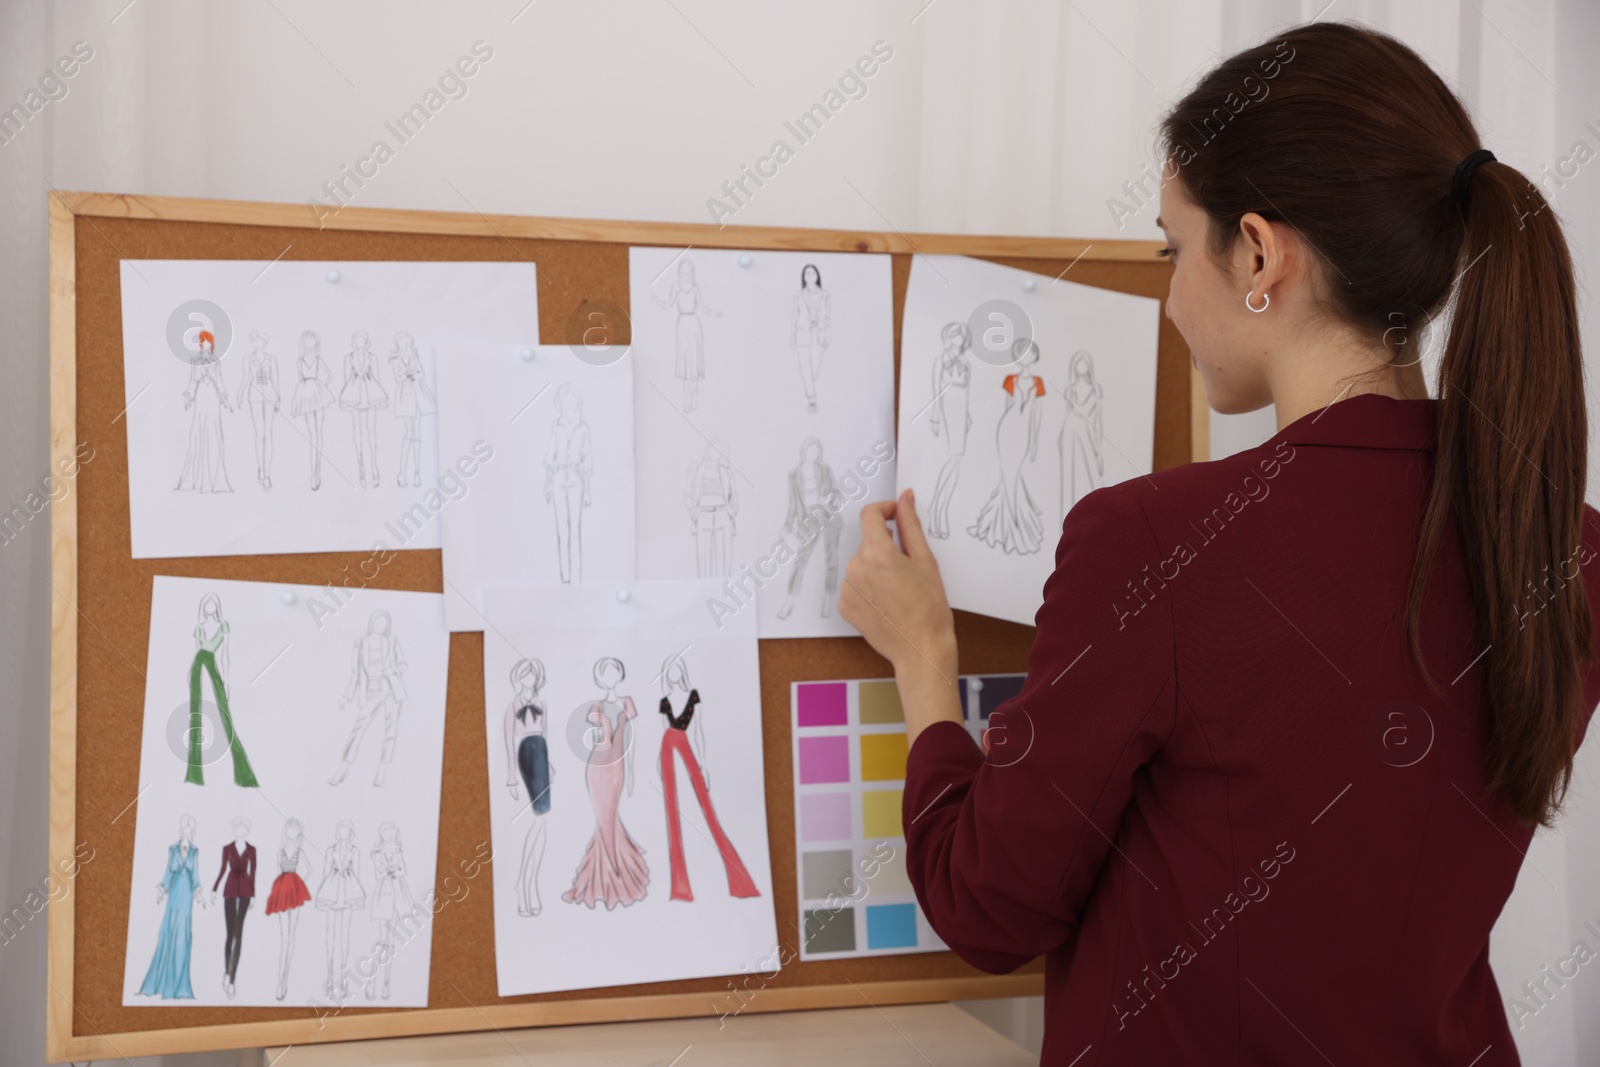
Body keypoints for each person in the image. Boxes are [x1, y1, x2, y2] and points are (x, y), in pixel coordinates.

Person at [839, 22, 1600, 1065]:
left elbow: (988, 905)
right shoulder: (1568, 553)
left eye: (1169, 247)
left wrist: (924, 665)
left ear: (1255, 252)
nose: (1163, 297)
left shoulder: (1149, 541)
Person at [330, 610, 408, 786]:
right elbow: (356, 673)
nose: (380, 625)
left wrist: (393, 670)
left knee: (390, 732)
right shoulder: (360, 643)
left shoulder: (392, 641)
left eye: (383, 622)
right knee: (358, 728)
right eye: (377, 622)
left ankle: (382, 770)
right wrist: (347, 696)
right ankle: (344, 767)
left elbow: (403, 664)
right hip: (371, 690)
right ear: (371, 623)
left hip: (391, 690)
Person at [504, 657, 553, 916]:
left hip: (542, 752)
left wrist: (550, 764)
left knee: (543, 823)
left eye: (532, 675)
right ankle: (522, 887)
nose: (529, 680)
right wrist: (511, 775)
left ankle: (531, 886)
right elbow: (508, 742)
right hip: (526, 753)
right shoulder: (513, 706)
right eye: (524, 675)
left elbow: (546, 733)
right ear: (518, 678)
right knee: (537, 820)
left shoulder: (542, 704)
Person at [137, 815, 204, 999]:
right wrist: (161, 889)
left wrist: (198, 892)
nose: (187, 832)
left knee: (183, 936)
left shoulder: (195, 851)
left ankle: (179, 987)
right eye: (185, 829)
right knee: (167, 934)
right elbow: (168, 871)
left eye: (190, 830)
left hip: (187, 896)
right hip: (174, 893)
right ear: (182, 830)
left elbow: (196, 874)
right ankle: (160, 983)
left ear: (192, 831)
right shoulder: (173, 849)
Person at [176, 330, 233, 492]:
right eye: (201, 342)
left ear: (211, 343)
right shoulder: (194, 361)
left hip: (213, 397)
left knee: (214, 430)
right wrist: (188, 397)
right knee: (198, 430)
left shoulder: (216, 362)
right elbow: (192, 381)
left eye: (206, 341)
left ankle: (214, 479)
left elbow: (220, 382)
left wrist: (224, 399)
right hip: (201, 395)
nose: (203, 344)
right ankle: (197, 480)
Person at [210, 816, 256, 999]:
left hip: (245, 890)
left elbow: (254, 871)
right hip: (229, 890)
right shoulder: (227, 848)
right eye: (237, 828)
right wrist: (214, 888)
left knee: (239, 934)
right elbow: (222, 868)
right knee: (230, 934)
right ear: (234, 830)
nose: (240, 831)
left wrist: (253, 894)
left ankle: (232, 980)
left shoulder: (252, 849)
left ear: (246, 830)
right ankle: (227, 971)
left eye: (243, 828)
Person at [388, 331, 435, 487]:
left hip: (417, 395)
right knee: (409, 433)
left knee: (417, 434)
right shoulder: (396, 360)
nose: (404, 345)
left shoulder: (414, 357)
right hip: (405, 396)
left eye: (406, 342)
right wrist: (411, 374)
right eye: (401, 343)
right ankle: (402, 472)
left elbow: (421, 374)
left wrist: (411, 374)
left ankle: (416, 473)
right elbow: (399, 377)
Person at [235, 329, 280, 490]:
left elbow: (275, 379)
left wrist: (278, 397)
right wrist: (239, 395)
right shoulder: (247, 359)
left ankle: (267, 473)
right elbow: (245, 378)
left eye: (260, 340)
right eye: (254, 340)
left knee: (268, 434)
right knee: (259, 434)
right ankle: (261, 468)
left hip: (270, 395)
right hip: (254, 395)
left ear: (264, 342)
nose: (257, 343)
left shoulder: (271, 359)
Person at [791, 263, 831, 412]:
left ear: (817, 276)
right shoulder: (798, 295)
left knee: (815, 366)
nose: (810, 276)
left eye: (812, 273)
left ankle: (809, 391)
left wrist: (827, 336)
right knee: (804, 366)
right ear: (803, 277)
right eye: (807, 273)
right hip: (802, 333)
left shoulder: (825, 295)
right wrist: (792, 336)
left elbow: (828, 317)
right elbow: (794, 317)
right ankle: (812, 399)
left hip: (818, 334)